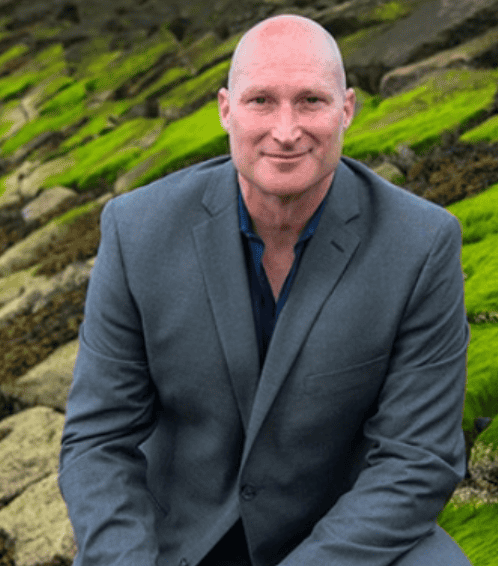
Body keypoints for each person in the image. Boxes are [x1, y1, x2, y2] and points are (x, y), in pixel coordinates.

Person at [58, 14, 472, 566]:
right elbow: (97, 443)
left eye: (310, 101)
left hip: (342, 537)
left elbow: (417, 459)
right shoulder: (136, 231)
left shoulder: (422, 244)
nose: (285, 129)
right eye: (261, 102)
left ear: (346, 109)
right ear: (226, 109)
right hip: (178, 540)